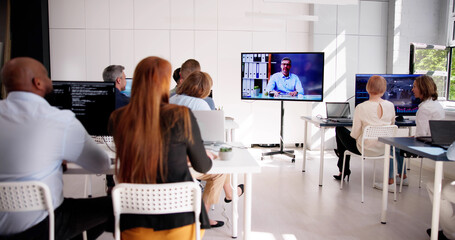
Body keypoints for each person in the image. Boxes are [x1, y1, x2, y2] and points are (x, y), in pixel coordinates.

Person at [0, 57, 113, 239]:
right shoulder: (60, 120)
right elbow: (101, 165)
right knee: (116, 204)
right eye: (46, 76)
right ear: (37, 82)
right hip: (44, 227)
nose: (50, 80)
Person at [109, 56, 214, 239]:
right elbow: (202, 166)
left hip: (133, 223)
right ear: (166, 84)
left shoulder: (118, 118)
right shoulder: (182, 115)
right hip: (182, 224)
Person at [170, 71, 244, 227]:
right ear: (205, 89)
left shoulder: (171, 100)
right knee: (219, 171)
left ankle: (230, 193)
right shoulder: (202, 104)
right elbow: (209, 136)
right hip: (186, 162)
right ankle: (203, 216)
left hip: (168, 160)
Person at [333, 75, 395, 180]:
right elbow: (392, 126)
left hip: (364, 149)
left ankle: (343, 169)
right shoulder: (390, 105)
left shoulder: (361, 107)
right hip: (383, 149)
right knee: (344, 138)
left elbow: (354, 134)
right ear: (384, 89)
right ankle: (342, 166)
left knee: (339, 129)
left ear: (367, 88)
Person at [387, 75, 445, 188]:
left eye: (415, 87)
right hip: (436, 142)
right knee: (400, 143)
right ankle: (402, 176)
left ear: (423, 88)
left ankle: (391, 181)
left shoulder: (424, 109)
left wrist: (412, 137)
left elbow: (421, 135)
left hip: (427, 145)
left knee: (392, 145)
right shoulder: (437, 105)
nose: (412, 89)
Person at [102, 65, 131, 194]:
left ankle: (110, 184)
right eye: (124, 78)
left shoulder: (97, 100)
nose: (125, 81)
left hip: (100, 145)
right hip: (122, 147)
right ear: (118, 80)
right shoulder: (127, 102)